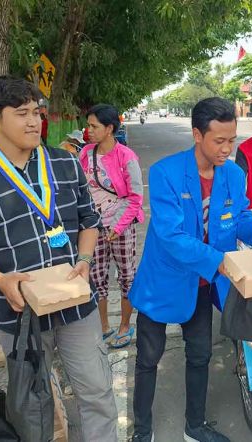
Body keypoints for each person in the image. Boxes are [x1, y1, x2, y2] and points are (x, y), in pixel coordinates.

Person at [0, 76, 118, 441]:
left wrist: (84, 260)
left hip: (76, 305)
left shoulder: (66, 165)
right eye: (21, 113)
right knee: (36, 406)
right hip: (18, 313)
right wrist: (0, 280)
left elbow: (90, 220)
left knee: (97, 392)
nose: (33, 122)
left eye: (36, 112)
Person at [128, 97, 252, 442]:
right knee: (148, 359)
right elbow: (171, 236)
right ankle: (142, 431)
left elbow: (239, 217)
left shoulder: (233, 173)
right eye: (219, 141)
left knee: (200, 354)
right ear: (197, 135)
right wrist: (221, 262)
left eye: (232, 140)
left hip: (204, 284)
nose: (227, 149)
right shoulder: (166, 173)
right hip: (165, 282)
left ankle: (194, 427)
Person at [79, 104, 144, 349]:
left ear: (109, 129)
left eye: (94, 126)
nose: (89, 130)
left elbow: (136, 197)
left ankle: (125, 325)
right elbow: (80, 191)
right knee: (96, 278)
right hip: (93, 229)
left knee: (127, 276)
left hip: (121, 227)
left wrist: (117, 227)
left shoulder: (126, 157)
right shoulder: (85, 153)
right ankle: (103, 326)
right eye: (89, 125)